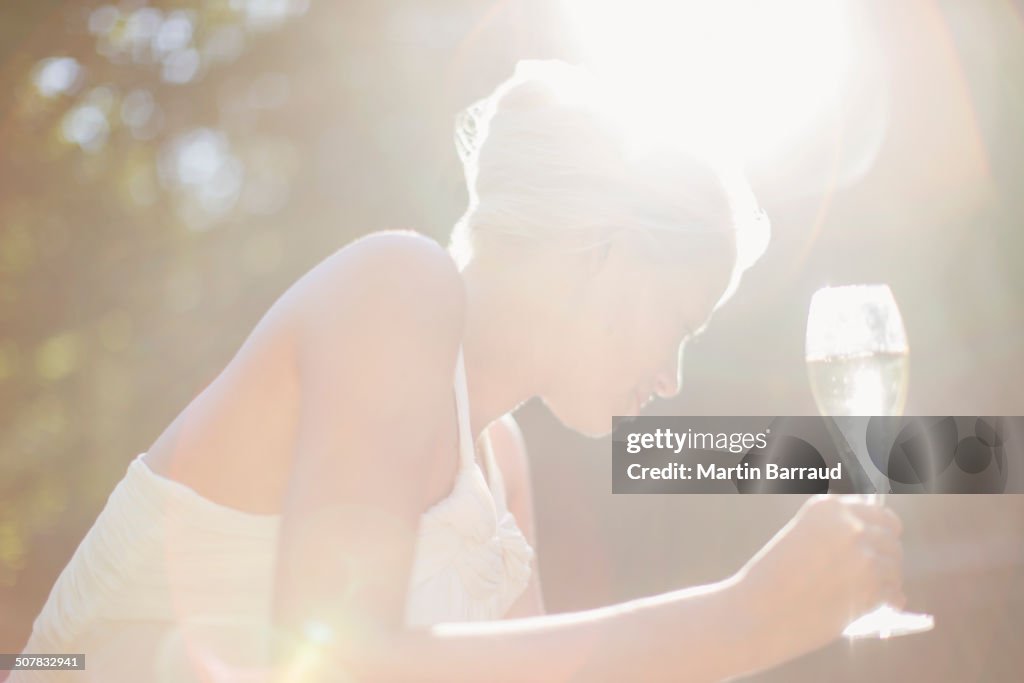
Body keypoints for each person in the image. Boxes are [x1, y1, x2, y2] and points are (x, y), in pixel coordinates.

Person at [14, 60, 905, 683]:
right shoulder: (397, 289)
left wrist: (773, 631)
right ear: (601, 250)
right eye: (679, 324)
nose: (672, 377)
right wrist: (738, 616)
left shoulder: (501, 462)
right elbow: (329, 665)